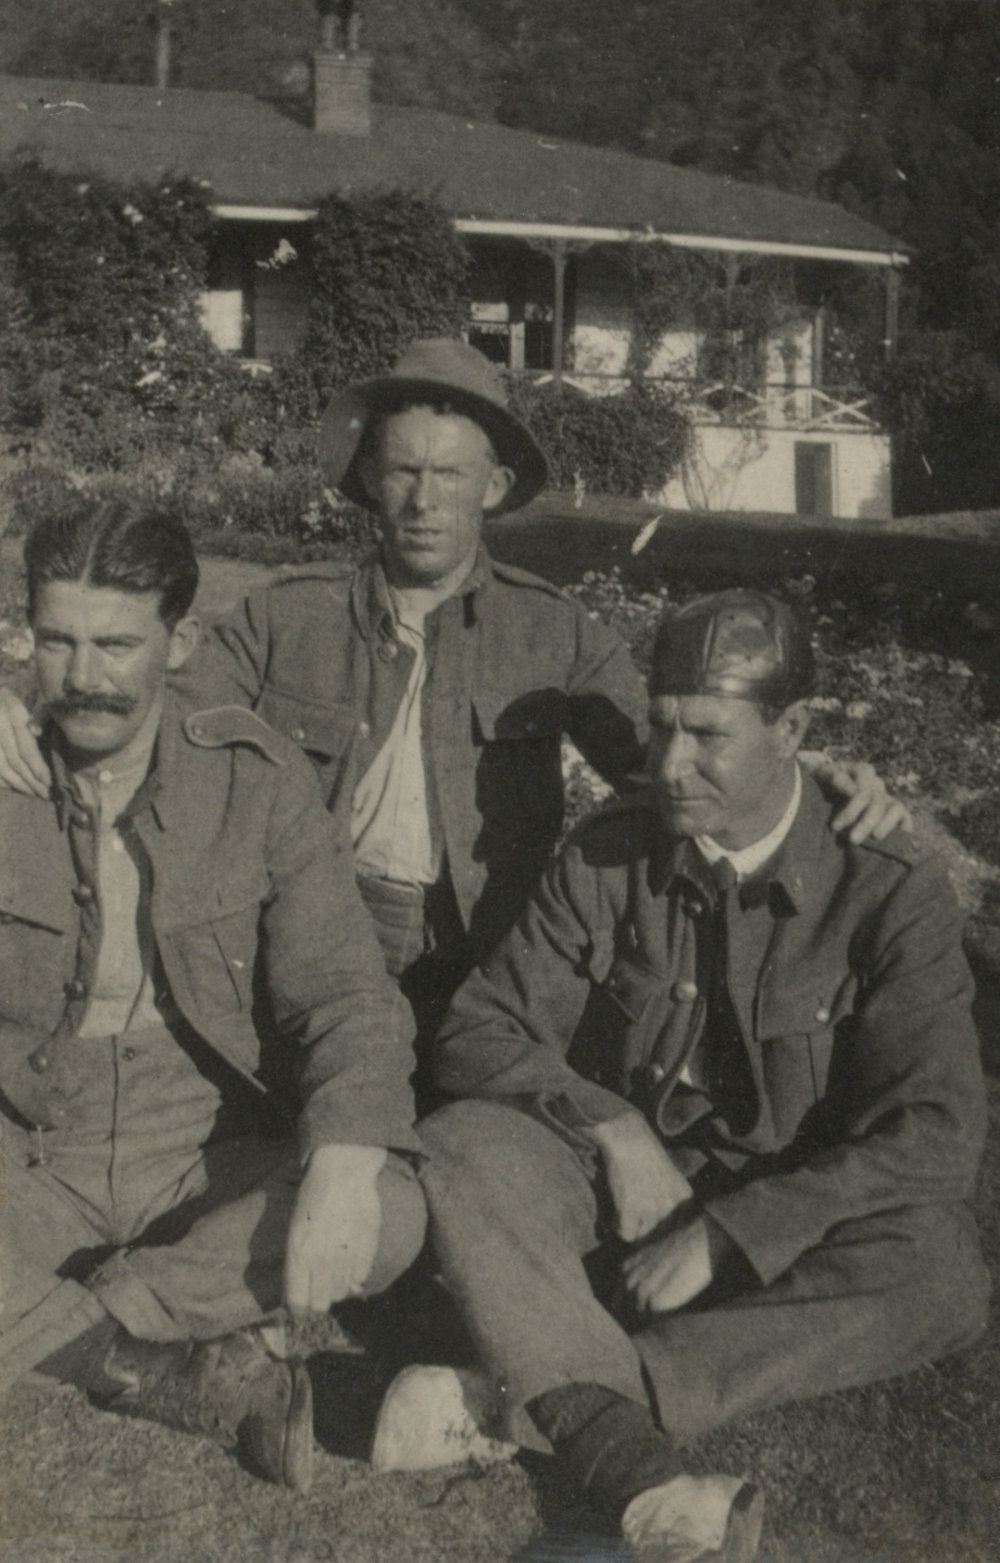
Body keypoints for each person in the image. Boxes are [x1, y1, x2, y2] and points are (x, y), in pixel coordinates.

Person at [0, 341, 905, 1062]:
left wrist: (803, 769)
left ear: (495, 488)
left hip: (480, 945)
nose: (425, 501)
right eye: (401, 473)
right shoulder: (287, 616)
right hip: (310, 929)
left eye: (452, 476)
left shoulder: (552, 632)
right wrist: (23, 710)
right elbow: (144, 706)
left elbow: (667, 757)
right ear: (367, 482)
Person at [376, 590, 990, 1562]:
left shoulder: (890, 885)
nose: (669, 765)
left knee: (942, 1274)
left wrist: (734, 1232)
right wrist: (613, 1128)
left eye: (707, 735)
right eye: (660, 728)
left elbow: (936, 1132)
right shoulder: (607, 852)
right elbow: (478, 1028)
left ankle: (535, 1398)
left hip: (793, 1210)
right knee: (465, 1147)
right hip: (614, 1190)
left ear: (792, 730)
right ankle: (632, 1467)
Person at [0, 498, 426, 1493]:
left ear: (180, 640)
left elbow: (345, 998)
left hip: (198, 1156)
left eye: (116, 644)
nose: (85, 677)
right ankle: (161, 1367)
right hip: (28, 1145)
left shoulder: (255, 783)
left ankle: (72, 1328)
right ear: (25, 634)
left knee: (390, 1208)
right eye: (56, 641)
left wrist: (339, 1163)